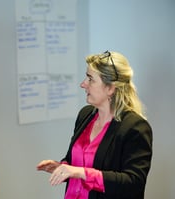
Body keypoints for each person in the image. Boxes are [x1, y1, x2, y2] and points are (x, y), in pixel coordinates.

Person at [37, 50, 152, 199]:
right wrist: (63, 167)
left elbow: (133, 183)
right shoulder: (85, 114)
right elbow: (76, 160)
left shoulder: (135, 127)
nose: (83, 84)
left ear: (111, 88)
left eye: (90, 79)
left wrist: (80, 172)